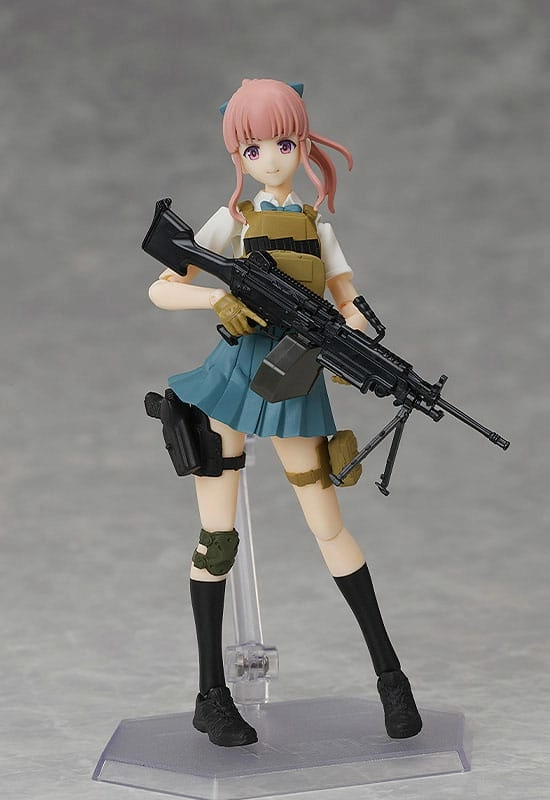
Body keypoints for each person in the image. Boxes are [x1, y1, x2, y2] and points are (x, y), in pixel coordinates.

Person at [148, 78, 422, 747]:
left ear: (301, 145)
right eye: (253, 148)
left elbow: (347, 301)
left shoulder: (316, 225)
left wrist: (360, 345)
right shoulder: (234, 222)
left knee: (329, 525)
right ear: (237, 156)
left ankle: (391, 679)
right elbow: (160, 287)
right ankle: (211, 696)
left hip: (296, 379)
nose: (270, 159)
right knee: (217, 539)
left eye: (283, 144)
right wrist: (216, 300)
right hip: (231, 380)